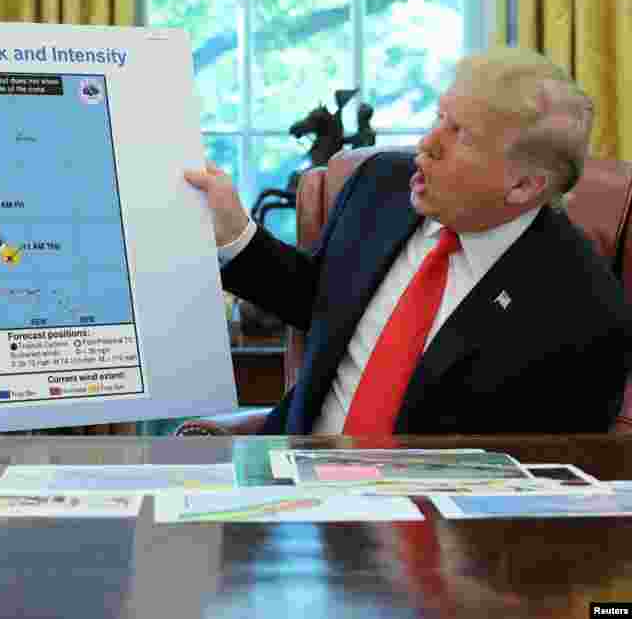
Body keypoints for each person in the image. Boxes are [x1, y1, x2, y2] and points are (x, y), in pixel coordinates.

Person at [181, 47, 632, 436]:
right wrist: (236, 233)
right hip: (297, 482)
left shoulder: (584, 308)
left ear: (524, 186)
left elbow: (552, 479)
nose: (427, 144)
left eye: (463, 136)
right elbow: (318, 298)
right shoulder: (380, 185)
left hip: (434, 523)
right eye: (441, 118)